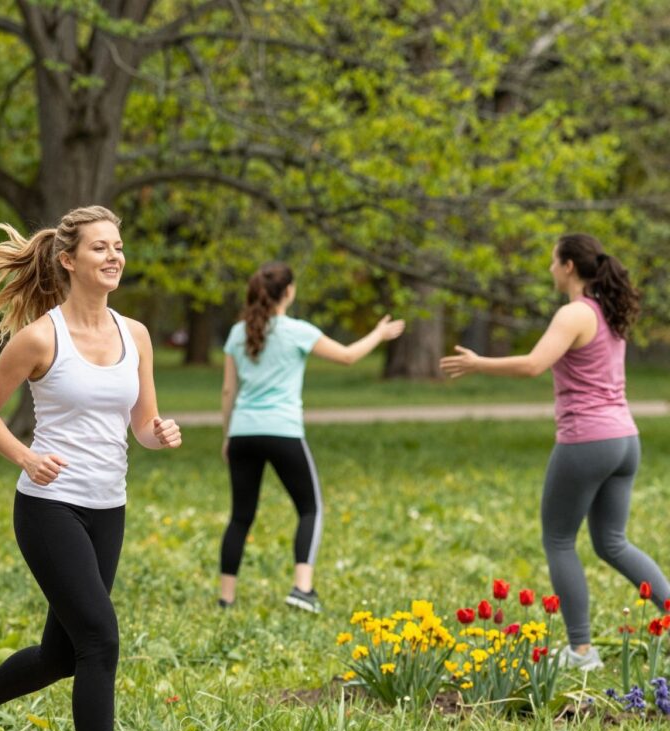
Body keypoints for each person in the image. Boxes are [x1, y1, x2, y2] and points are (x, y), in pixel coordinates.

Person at [0, 206, 181, 731]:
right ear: (69, 260)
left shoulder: (138, 335)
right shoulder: (41, 338)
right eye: (101, 247)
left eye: (119, 246)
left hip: (109, 507)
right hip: (48, 507)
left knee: (62, 654)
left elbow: (141, 426)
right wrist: (25, 456)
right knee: (100, 638)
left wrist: (160, 432)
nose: (115, 256)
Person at [440, 234, 670, 671]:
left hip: (587, 441)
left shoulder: (574, 314)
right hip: (625, 440)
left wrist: (477, 363)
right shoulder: (607, 312)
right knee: (612, 543)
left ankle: (581, 652)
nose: (549, 270)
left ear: (568, 266)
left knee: (559, 539)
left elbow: (532, 364)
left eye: (552, 262)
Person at [217, 262, 405, 613]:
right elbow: (348, 357)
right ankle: (302, 588)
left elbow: (229, 391)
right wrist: (379, 334)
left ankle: (226, 597)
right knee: (310, 508)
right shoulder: (298, 331)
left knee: (240, 516)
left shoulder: (237, 333)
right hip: (283, 430)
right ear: (288, 292)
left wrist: (228, 435)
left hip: (243, 431)